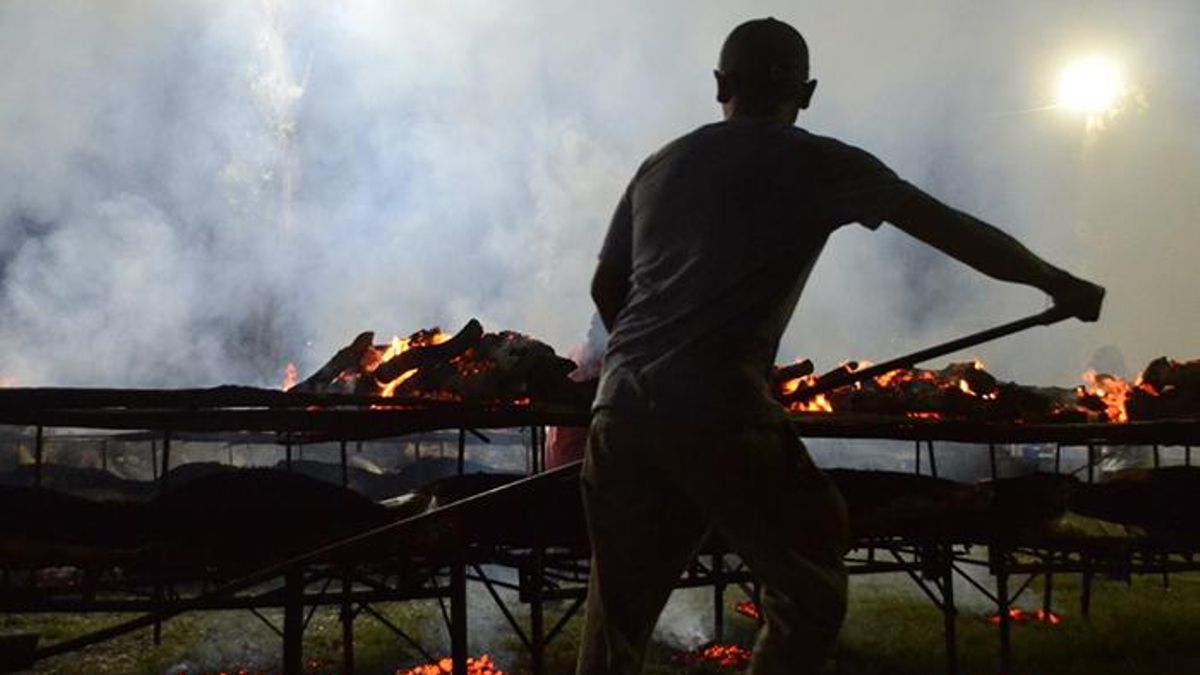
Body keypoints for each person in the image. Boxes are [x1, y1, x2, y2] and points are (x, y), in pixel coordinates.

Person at [576, 17, 1105, 675]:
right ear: (809, 91)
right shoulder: (821, 162)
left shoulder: (662, 164)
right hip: (721, 410)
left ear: (720, 85)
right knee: (810, 582)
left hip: (619, 412)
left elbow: (607, 284)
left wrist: (644, 359)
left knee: (615, 626)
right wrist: (1057, 283)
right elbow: (952, 230)